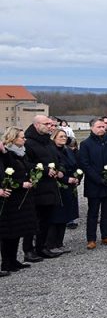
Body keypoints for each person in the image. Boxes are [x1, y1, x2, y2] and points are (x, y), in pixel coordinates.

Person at [78, 117, 107, 248]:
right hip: (94, 184)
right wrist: (98, 179)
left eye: (103, 127)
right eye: (99, 127)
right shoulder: (86, 144)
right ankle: (91, 239)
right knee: (93, 213)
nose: (102, 129)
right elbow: (85, 164)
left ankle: (106, 236)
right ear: (91, 128)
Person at [24, 115, 62, 261]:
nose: (50, 127)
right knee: (33, 220)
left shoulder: (48, 142)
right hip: (37, 187)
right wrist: (45, 170)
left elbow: (57, 159)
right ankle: (28, 250)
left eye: (51, 124)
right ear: (37, 125)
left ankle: (42, 247)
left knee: (46, 219)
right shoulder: (28, 142)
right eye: (47, 124)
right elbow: (26, 163)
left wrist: (59, 169)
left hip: (50, 186)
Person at [1, 128, 37, 275]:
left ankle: (13, 260)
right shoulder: (8, 154)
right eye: (21, 137)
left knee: (17, 231)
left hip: (22, 196)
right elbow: (6, 175)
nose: (25, 139)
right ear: (13, 138)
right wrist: (21, 183)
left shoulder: (21, 153)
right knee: (8, 232)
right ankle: (6, 262)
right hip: (12, 198)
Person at [49, 128, 81, 254]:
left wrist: (77, 177)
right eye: (61, 136)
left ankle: (59, 242)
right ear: (54, 137)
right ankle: (50, 244)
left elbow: (75, 165)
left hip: (70, 187)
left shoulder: (68, 151)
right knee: (56, 216)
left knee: (65, 215)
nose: (64, 138)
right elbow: (55, 170)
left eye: (65, 136)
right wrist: (68, 179)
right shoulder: (51, 151)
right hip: (58, 187)